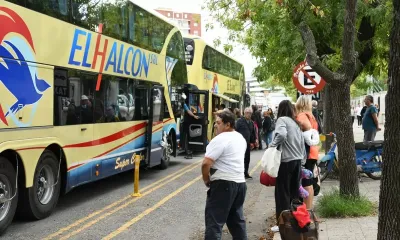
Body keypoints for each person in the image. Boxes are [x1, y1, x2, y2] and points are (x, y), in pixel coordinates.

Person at [202, 110, 248, 240]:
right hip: (240, 184)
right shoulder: (240, 138)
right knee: (237, 222)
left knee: (214, 223)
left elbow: (206, 164)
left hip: (223, 184)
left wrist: (206, 180)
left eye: (218, 123)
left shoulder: (220, 139)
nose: (215, 125)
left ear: (227, 125)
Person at [270, 100, 306, 232]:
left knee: (282, 193)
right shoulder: (295, 123)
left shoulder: (282, 120)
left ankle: (282, 224)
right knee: (294, 193)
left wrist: (272, 145)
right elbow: (302, 143)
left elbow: (282, 134)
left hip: (286, 162)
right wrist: (302, 161)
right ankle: (296, 220)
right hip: (297, 161)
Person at [295, 96, 319, 210]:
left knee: (306, 182)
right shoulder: (312, 116)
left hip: (307, 153)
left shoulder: (302, 116)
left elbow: (307, 127)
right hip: (313, 152)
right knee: (308, 181)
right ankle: (308, 209)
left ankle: (307, 211)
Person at [236, 107, 256, 179]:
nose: (249, 114)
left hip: (247, 143)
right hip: (240, 143)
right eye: (247, 113)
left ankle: (246, 172)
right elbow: (235, 131)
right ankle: (239, 173)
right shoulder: (239, 121)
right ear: (244, 113)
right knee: (240, 158)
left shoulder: (251, 122)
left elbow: (252, 133)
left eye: (250, 113)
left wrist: (252, 142)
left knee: (247, 158)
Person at [182, 93, 200, 159]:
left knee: (187, 138)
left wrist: (194, 116)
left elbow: (189, 112)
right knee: (187, 138)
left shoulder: (184, 105)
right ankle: (188, 152)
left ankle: (189, 153)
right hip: (187, 123)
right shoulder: (186, 105)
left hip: (186, 123)